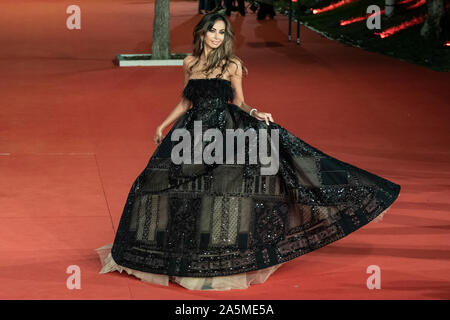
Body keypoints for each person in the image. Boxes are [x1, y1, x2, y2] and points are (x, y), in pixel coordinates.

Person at [95, 13, 401, 291]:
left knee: (221, 194)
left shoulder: (232, 65)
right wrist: (163, 125)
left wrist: (255, 111)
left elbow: (239, 102)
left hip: (224, 134)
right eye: (212, 31)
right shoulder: (189, 63)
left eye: (222, 32)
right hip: (190, 134)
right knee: (155, 184)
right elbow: (186, 100)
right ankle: (177, 257)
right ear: (202, 34)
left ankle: (213, 265)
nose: (216, 36)